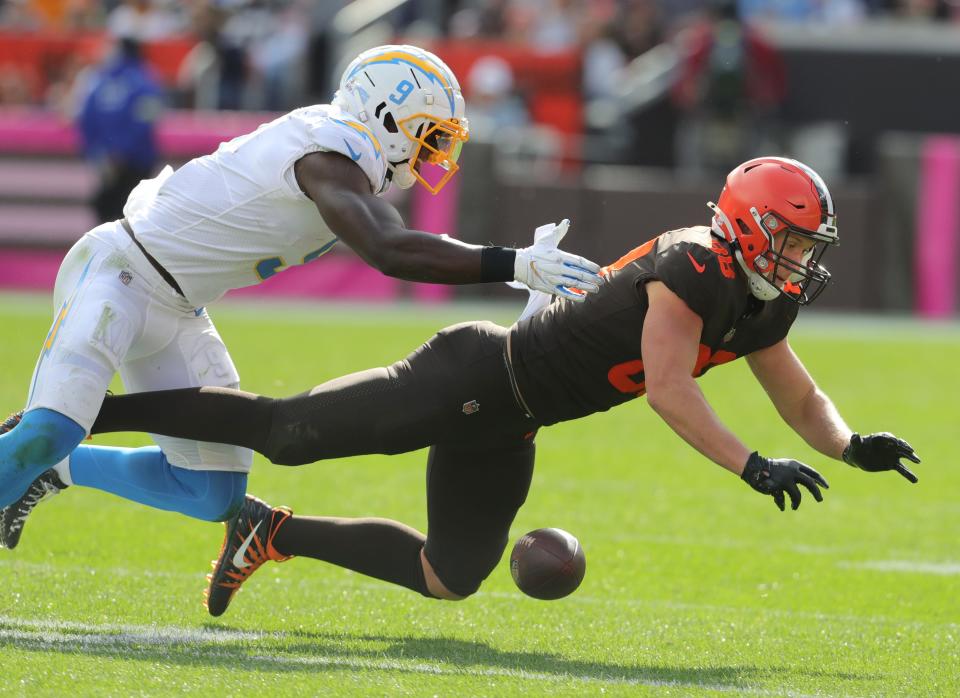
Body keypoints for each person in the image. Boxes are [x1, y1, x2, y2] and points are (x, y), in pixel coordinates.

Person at [2, 156, 920, 615]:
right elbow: (672, 390)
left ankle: (271, 533)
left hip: (511, 420)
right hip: (477, 371)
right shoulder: (693, 267)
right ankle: (82, 416)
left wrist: (846, 442)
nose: (803, 261)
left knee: (451, 579)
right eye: (795, 242)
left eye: (809, 247)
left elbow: (798, 394)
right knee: (284, 431)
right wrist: (750, 465)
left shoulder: (761, 302)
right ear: (753, 230)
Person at [0, 44, 602, 544]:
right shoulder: (330, 147)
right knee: (47, 427)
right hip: (121, 272)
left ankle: (56, 469)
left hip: (177, 305)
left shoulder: (346, 157)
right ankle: (40, 452)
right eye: (430, 135)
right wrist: (512, 263)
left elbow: (400, 237)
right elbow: (388, 249)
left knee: (210, 493)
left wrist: (512, 265)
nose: (434, 153)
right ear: (389, 116)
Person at [76, 35, 164, 223]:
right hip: (137, 161)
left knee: (105, 212)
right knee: (134, 216)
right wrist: (123, 151)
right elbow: (147, 120)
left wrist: (98, 151)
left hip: (109, 161)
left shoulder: (98, 80)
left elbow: (85, 118)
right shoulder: (146, 80)